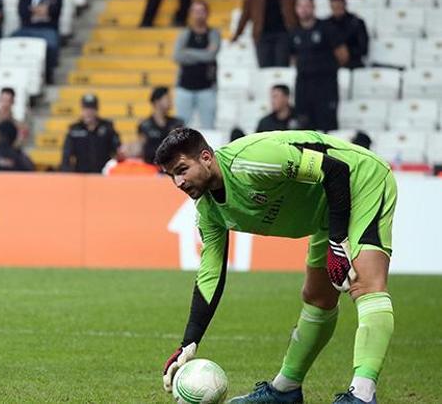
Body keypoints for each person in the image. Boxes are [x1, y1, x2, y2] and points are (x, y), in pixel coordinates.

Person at [157, 128, 397, 404]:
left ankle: (363, 395)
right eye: (172, 175)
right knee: (317, 297)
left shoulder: (253, 160)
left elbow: (335, 170)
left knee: (364, 283)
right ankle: (286, 389)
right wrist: (189, 343)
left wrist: (337, 241)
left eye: (182, 169)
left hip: (361, 181)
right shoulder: (209, 212)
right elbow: (211, 275)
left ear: (206, 157)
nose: (178, 182)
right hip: (326, 209)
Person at [291, 0, 348, 132]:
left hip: (325, 87)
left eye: (307, 6)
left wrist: (327, 68)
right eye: (300, 6)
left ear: (313, 8)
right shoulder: (294, 32)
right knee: (304, 130)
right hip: (303, 88)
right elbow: (293, 57)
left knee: (327, 129)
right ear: (296, 9)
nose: (304, 9)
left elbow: (343, 54)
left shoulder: (327, 28)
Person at [233, 0, 299, 67]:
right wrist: (238, 33)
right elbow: (246, 12)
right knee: (264, 69)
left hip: (285, 33)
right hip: (262, 34)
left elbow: (298, 9)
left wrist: (300, 30)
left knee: (282, 68)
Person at [173, 0, 220, 128]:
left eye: (201, 11)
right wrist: (202, 54)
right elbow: (177, 56)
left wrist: (187, 52)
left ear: (207, 13)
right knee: (182, 129)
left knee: (209, 127)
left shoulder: (213, 34)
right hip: (184, 87)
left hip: (207, 88)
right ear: (191, 13)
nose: (199, 15)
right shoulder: (185, 34)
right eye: (195, 11)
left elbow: (211, 55)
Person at [13, 0, 62, 84]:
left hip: (47, 28)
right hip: (27, 28)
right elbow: (23, 13)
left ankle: (48, 74)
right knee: (9, 41)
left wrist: (34, 9)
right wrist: (43, 10)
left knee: (52, 45)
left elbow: (54, 11)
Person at [60, 93, 120, 173]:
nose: (88, 112)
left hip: (103, 174)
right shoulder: (74, 130)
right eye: (86, 109)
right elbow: (66, 155)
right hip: (81, 176)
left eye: (91, 109)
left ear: (96, 110)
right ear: (82, 110)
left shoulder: (107, 128)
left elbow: (117, 150)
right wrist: (67, 174)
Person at [138, 86, 183, 165]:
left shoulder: (177, 123)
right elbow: (142, 150)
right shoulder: (145, 125)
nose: (170, 101)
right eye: (167, 98)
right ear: (157, 101)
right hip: (151, 167)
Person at [326, 0, 369, 70]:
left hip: (352, 63)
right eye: (334, 7)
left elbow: (364, 49)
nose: (337, 9)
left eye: (339, 6)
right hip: (330, 63)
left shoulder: (357, 23)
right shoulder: (325, 24)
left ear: (345, 4)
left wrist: (345, 52)